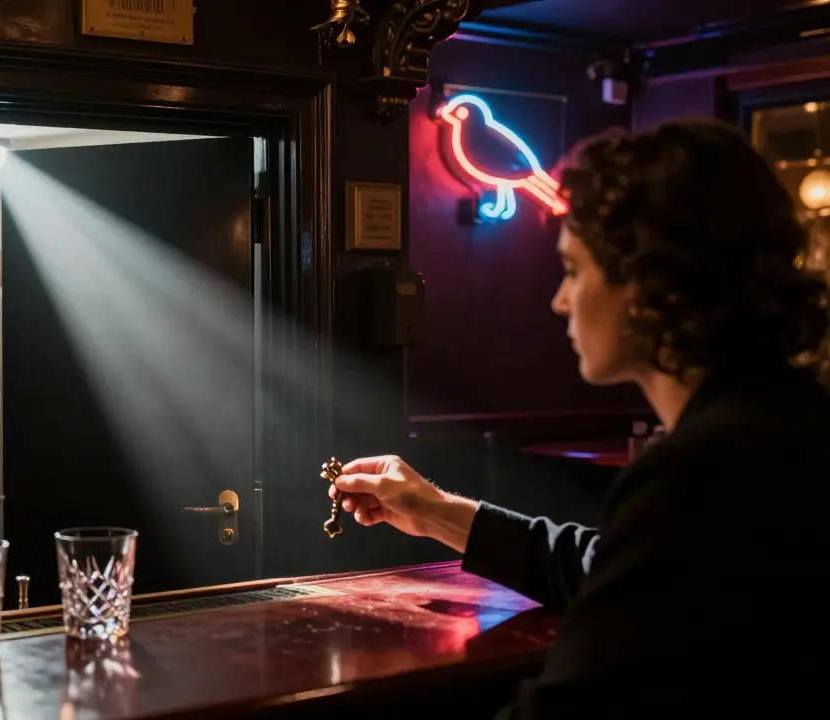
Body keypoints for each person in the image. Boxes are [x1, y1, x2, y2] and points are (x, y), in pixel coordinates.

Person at [330, 119, 829, 718]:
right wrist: (432, 509)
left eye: (573, 269)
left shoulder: (701, 472)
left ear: (646, 282)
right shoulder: (784, 421)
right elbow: (600, 569)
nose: (559, 300)